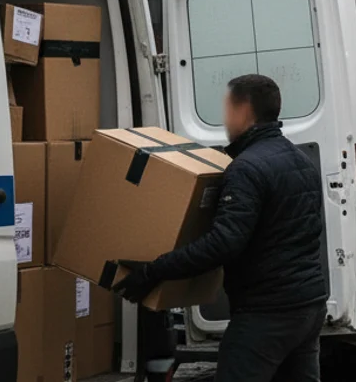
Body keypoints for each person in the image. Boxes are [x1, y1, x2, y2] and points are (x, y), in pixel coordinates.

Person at [112, 74, 327, 382]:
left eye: (227, 108)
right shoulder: (301, 160)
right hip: (308, 307)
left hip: (266, 314)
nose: (224, 117)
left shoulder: (246, 169)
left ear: (243, 111)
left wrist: (154, 271)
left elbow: (223, 243)